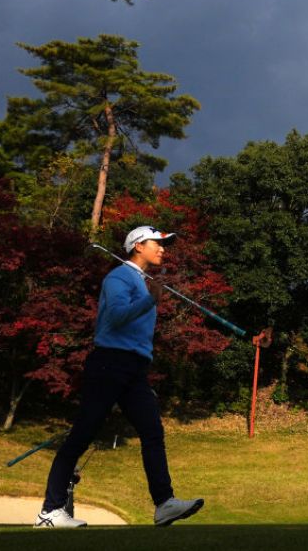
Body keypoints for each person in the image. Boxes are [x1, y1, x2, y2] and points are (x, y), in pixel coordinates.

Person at [35, 225, 205, 528]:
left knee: (152, 431)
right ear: (138, 246)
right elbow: (114, 317)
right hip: (109, 363)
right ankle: (50, 510)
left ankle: (164, 503)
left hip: (135, 369)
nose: (163, 248)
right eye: (158, 243)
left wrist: (149, 299)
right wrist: (150, 300)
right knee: (83, 433)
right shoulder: (118, 277)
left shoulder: (143, 282)